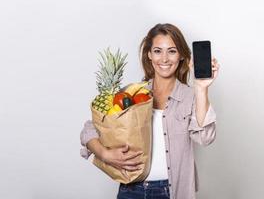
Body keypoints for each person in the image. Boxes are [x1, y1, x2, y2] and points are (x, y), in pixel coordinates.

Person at [80, 23, 219, 199]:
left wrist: (201, 88)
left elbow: (205, 137)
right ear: (149, 55)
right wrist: (104, 154)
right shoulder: (132, 92)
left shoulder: (191, 97)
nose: (165, 59)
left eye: (172, 51)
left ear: (182, 56)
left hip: (172, 192)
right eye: (158, 51)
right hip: (131, 190)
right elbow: (90, 128)